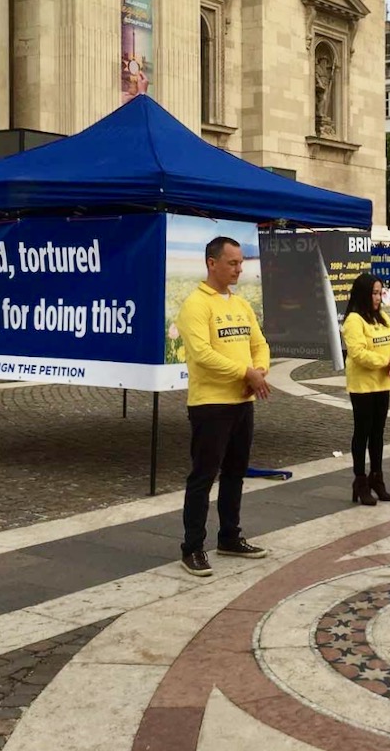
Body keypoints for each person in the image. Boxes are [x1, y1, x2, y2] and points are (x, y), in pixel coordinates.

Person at [176, 236, 271, 577]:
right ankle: (192, 547)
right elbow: (202, 354)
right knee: (203, 476)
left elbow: (260, 344)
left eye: (240, 262)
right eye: (232, 263)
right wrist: (245, 372)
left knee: (235, 473)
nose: (239, 269)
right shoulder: (196, 305)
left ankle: (229, 536)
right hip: (211, 404)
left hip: (242, 402)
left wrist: (259, 370)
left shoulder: (241, 304)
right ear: (211, 263)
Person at [342, 272, 390, 502]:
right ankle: (360, 480)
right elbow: (358, 353)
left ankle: (377, 477)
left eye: (380, 293)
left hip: (383, 383)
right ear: (363, 294)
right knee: (363, 432)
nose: (378, 298)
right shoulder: (353, 320)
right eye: (374, 293)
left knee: (378, 433)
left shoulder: (383, 318)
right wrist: (385, 361)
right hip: (363, 385)